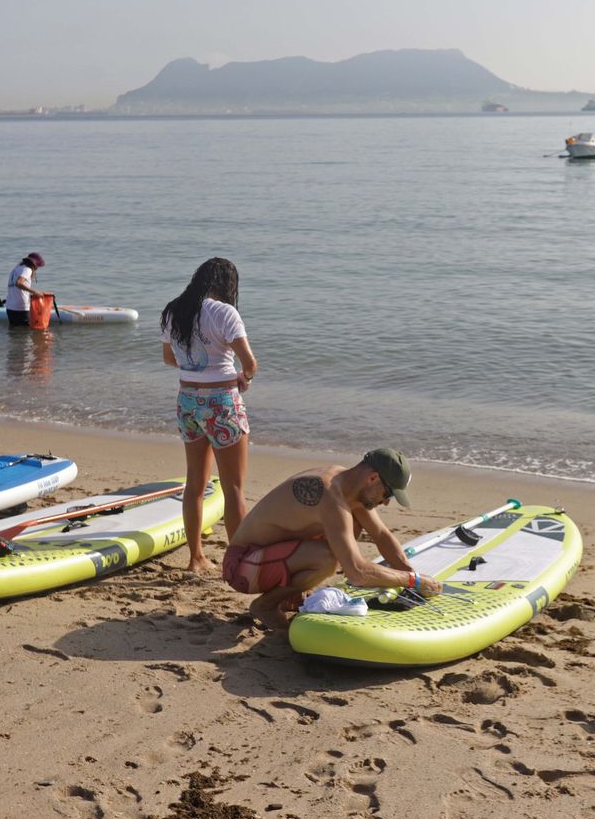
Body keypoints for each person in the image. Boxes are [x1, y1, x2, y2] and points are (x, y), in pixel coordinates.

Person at [223, 448, 442, 629]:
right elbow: (357, 573)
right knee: (328, 558)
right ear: (373, 477)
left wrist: (410, 575)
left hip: (267, 558)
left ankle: (288, 596)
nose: (386, 502)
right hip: (242, 567)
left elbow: (381, 535)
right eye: (388, 494)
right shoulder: (330, 496)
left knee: (353, 523)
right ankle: (266, 605)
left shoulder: (347, 483)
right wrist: (414, 581)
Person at [160, 257, 258, 573]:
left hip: (187, 400)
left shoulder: (174, 310)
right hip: (221, 403)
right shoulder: (225, 312)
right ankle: (236, 565)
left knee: (195, 485)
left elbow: (168, 358)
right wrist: (245, 377)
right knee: (233, 490)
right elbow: (250, 363)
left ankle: (196, 558)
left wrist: (196, 366)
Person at [4, 253, 53, 328]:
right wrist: (34, 292)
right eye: (37, 266)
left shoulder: (16, 268)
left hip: (10, 307)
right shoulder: (27, 269)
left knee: (14, 333)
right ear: (34, 264)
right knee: (24, 335)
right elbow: (19, 283)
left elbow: (17, 288)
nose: (37, 268)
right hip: (21, 308)